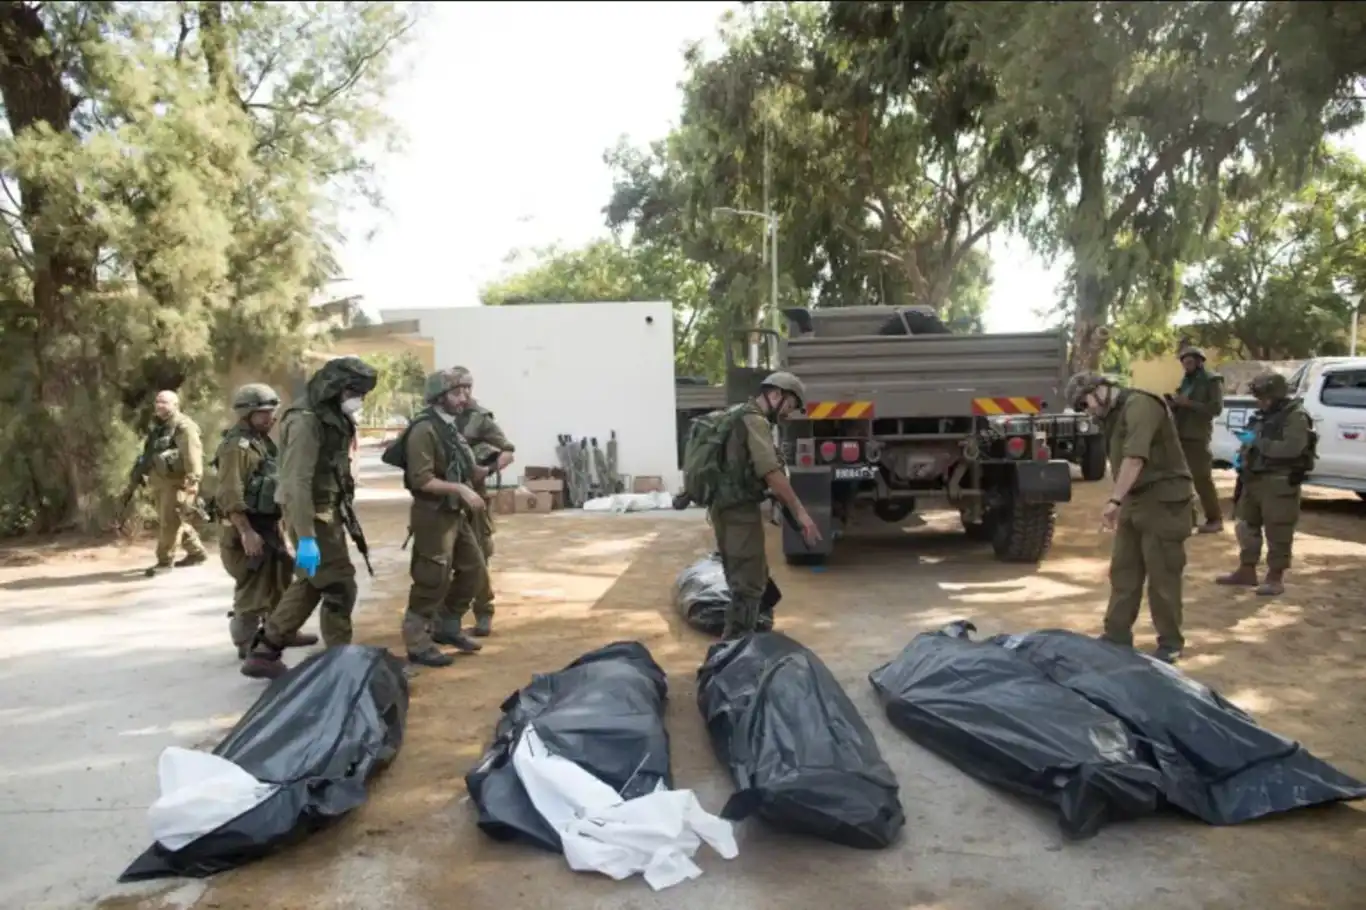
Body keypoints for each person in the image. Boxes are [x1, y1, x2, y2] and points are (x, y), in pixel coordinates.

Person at [241, 357, 377, 680]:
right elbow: (295, 484)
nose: (361, 399)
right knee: (339, 586)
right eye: (357, 392)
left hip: (324, 510)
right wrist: (305, 537)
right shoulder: (306, 420)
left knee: (312, 583)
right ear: (339, 388)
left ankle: (265, 651)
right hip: (311, 514)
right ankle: (339, 665)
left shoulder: (329, 415)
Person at [1066, 371, 1195, 663]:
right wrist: (1122, 500)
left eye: (1084, 403)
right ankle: (1116, 635)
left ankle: (1170, 643)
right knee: (1124, 570)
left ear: (1099, 390)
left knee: (1163, 575)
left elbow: (1135, 457)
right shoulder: (1112, 414)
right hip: (1135, 500)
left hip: (1164, 501)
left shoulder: (1141, 405)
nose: (1087, 410)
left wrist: (1114, 499)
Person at [707, 371, 821, 639]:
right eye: (790, 407)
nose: (787, 415)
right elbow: (771, 472)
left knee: (745, 576)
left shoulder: (736, 413)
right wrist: (801, 514)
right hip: (738, 512)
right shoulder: (754, 421)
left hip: (724, 507)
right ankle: (732, 652)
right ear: (776, 395)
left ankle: (740, 643)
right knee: (747, 585)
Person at [213, 383, 318, 660]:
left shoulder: (262, 441)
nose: (270, 417)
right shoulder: (236, 447)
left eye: (272, 412)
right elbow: (229, 493)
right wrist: (246, 531)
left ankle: (282, 631)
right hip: (246, 528)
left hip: (268, 526)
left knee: (281, 577)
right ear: (247, 414)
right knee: (253, 586)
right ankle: (245, 642)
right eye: (263, 413)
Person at [396, 369, 491, 667]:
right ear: (439, 397)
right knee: (431, 579)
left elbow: (466, 465)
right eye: (456, 393)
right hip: (432, 514)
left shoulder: (448, 427)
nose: (464, 398)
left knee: (474, 570)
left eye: (466, 391)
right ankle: (417, 642)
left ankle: (447, 627)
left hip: (453, 512)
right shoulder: (424, 429)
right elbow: (421, 479)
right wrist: (460, 488)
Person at [1215, 371, 1314, 596]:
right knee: (1245, 526)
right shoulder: (1263, 415)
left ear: (1277, 395)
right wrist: (1243, 453)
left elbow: (1291, 449)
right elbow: (1253, 440)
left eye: (1264, 397)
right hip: (1254, 479)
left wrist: (1257, 442)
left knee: (1278, 529)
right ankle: (1246, 569)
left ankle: (1275, 577)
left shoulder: (1295, 417)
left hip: (1279, 481)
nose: (1261, 401)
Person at [453, 373, 516, 638]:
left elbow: (508, 452)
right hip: (443, 497)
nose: (464, 393)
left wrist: (486, 470)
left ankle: (483, 612)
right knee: (442, 558)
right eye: (458, 388)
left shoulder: (480, 417)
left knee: (479, 554)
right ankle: (446, 617)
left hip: (474, 496)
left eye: (467, 388)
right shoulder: (435, 416)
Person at [142, 390, 208, 576]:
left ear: (175, 405)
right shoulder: (160, 427)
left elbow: (192, 455)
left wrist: (193, 481)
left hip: (177, 482)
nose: (159, 405)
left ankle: (164, 561)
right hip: (161, 482)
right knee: (171, 519)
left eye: (164, 402)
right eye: (157, 402)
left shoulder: (184, 426)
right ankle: (197, 553)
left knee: (169, 522)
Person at [1169, 346, 1225, 533]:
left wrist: (1189, 404)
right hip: (1180, 433)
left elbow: (1215, 409)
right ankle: (1189, 518)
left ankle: (1214, 519)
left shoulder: (1212, 381)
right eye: (1184, 363)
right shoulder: (1186, 381)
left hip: (1197, 435)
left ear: (1200, 362)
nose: (1186, 366)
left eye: (1190, 362)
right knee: (1180, 478)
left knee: (1202, 479)